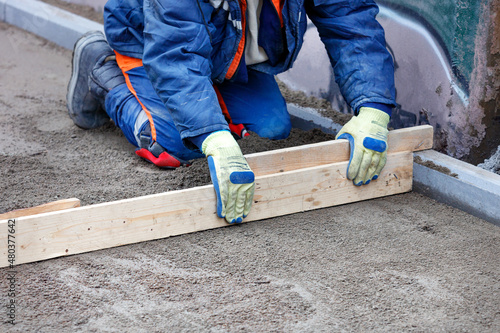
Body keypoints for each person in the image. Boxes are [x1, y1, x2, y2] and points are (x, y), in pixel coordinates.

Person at [67, 0, 396, 224]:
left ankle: (210, 92)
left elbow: (349, 19)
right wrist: (213, 137)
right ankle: (103, 69)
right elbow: (175, 55)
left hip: (226, 45)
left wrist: (373, 108)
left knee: (271, 129)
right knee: (179, 143)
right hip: (151, 43)